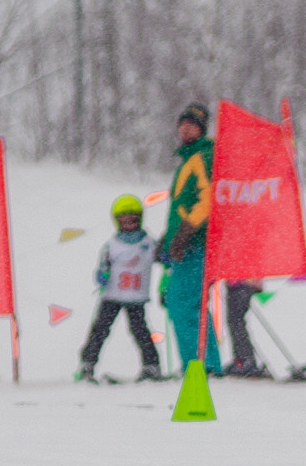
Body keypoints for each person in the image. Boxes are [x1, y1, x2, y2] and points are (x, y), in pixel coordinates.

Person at [159, 102, 222, 375]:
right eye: (183, 124)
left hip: (196, 243)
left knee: (182, 302)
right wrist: (168, 236)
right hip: (190, 242)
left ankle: (198, 364)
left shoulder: (204, 156)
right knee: (190, 303)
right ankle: (205, 362)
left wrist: (185, 233)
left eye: (192, 125)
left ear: (202, 129)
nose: (186, 129)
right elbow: (183, 204)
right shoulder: (189, 158)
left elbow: (207, 200)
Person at [76, 194, 164, 382]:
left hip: (136, 297)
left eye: (133, 219)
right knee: (100, 329)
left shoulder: (148, 244)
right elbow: (101, 268)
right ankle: (87, 364)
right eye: (125, 219)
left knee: (140, 330)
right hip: (112, 296)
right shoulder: (111, 246)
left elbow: (163, 259)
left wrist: (167, 257)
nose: (129, 223)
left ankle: (152, 365)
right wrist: (102, 276)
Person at [222, 281, 272, 378]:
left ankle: (245, 360)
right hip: (241, 281)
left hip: (240, 281)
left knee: (236, 321)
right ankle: (241, 359)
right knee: (235, 321)